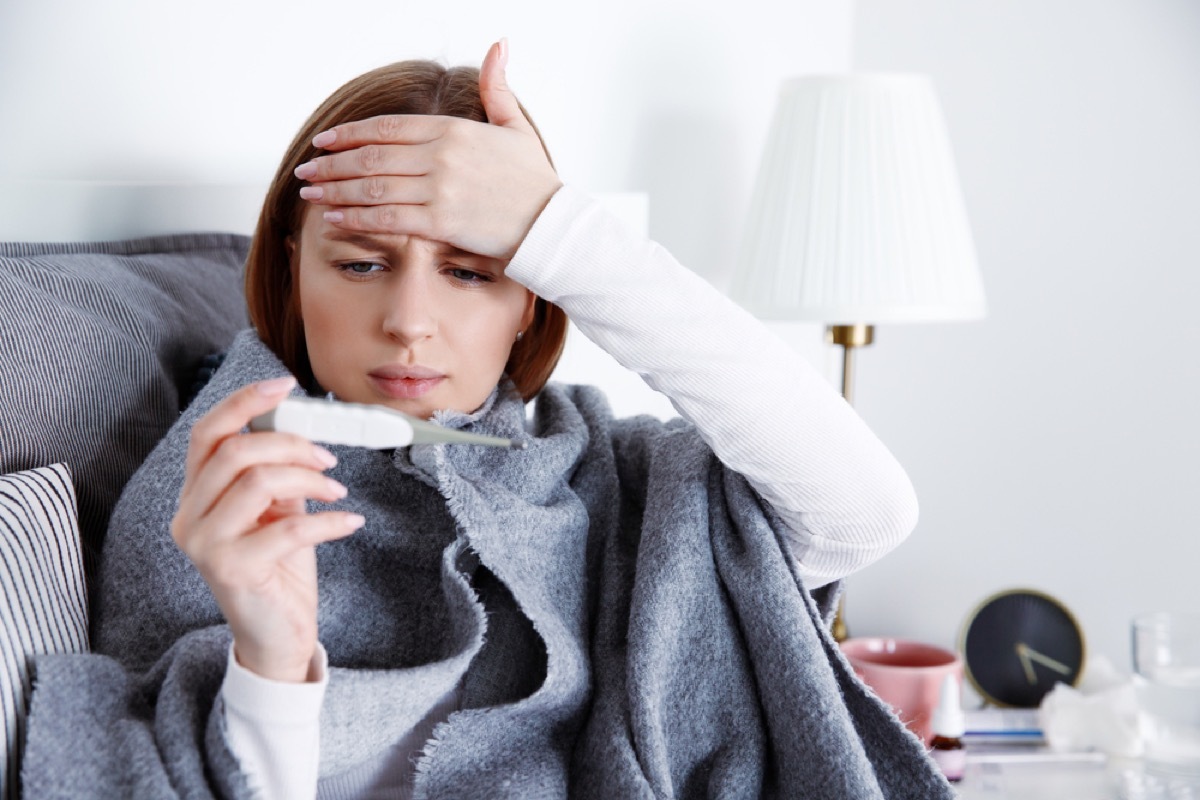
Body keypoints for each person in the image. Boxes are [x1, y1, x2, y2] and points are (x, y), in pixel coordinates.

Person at [23, 40, 954, 799]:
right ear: (290, 276)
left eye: (472, 271)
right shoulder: (215, 498)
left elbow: (866, 513)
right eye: (358, 265)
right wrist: (272, 660)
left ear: (534, 302)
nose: (409, 320)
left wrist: (560, 230)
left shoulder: (626, 486)